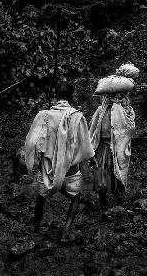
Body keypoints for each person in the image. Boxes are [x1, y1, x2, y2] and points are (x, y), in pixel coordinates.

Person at [25, 81, 97, 242]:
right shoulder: (77, 116)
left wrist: (35, 160)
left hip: (48, 169)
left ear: (56, 96)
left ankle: (35, 229)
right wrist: (92, 159)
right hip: (70, 169)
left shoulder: (44, 115)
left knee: (40, 198)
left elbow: (33, 141)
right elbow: (85, 143)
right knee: (76, 197)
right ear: (72, 96)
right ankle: (66, 230)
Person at [89, 64, 137, 208]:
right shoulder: (101, 110)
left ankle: (117, 202)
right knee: (101, 175)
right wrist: (91, 147)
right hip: (103, 147)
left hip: (116, 147)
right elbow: (93, 129)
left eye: (119, 96)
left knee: (116, 174)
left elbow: (129, 128)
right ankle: (103, 201)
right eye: (113, 96)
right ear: (108, 96)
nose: (116, 98)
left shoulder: (125, 110)